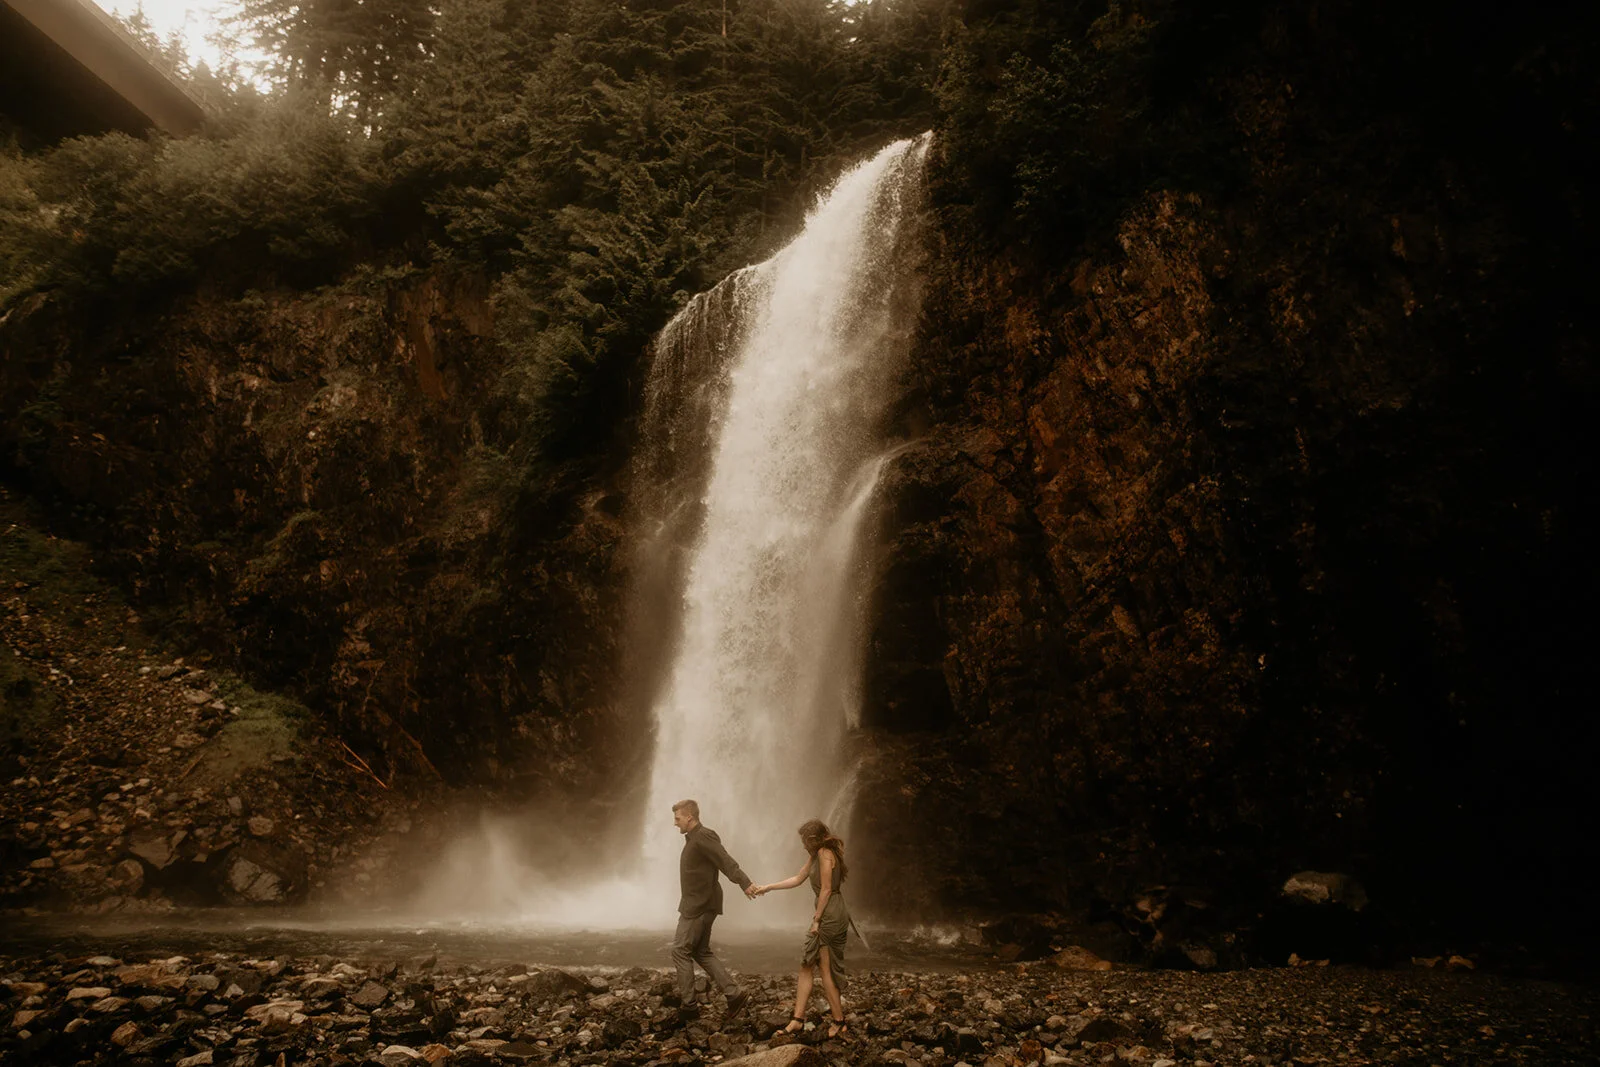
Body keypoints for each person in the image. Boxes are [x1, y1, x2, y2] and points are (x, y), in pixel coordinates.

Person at [751, 818, 853, 1039]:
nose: (803, 845)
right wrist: (768, 887)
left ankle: (839, 1021)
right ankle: (797, 1019)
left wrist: (816, 920)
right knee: (806, 965)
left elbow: (826, 889)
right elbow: (798, 878)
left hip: (830, 915)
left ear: (813, 839)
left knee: (825, 968)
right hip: (825, 913)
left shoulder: (825, 854)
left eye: (805, 841)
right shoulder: (815, 855)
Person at [671, 798, 756, 1022]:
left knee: (680, 950)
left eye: (677, 818)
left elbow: (724, 860)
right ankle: (734, 994)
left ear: (690, 817)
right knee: (701, 951)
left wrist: (744, 882)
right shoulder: (693, 838)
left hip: (698, 905)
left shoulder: (704, 836)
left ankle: (689, 1007)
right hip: (700, 903)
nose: (675, 823)